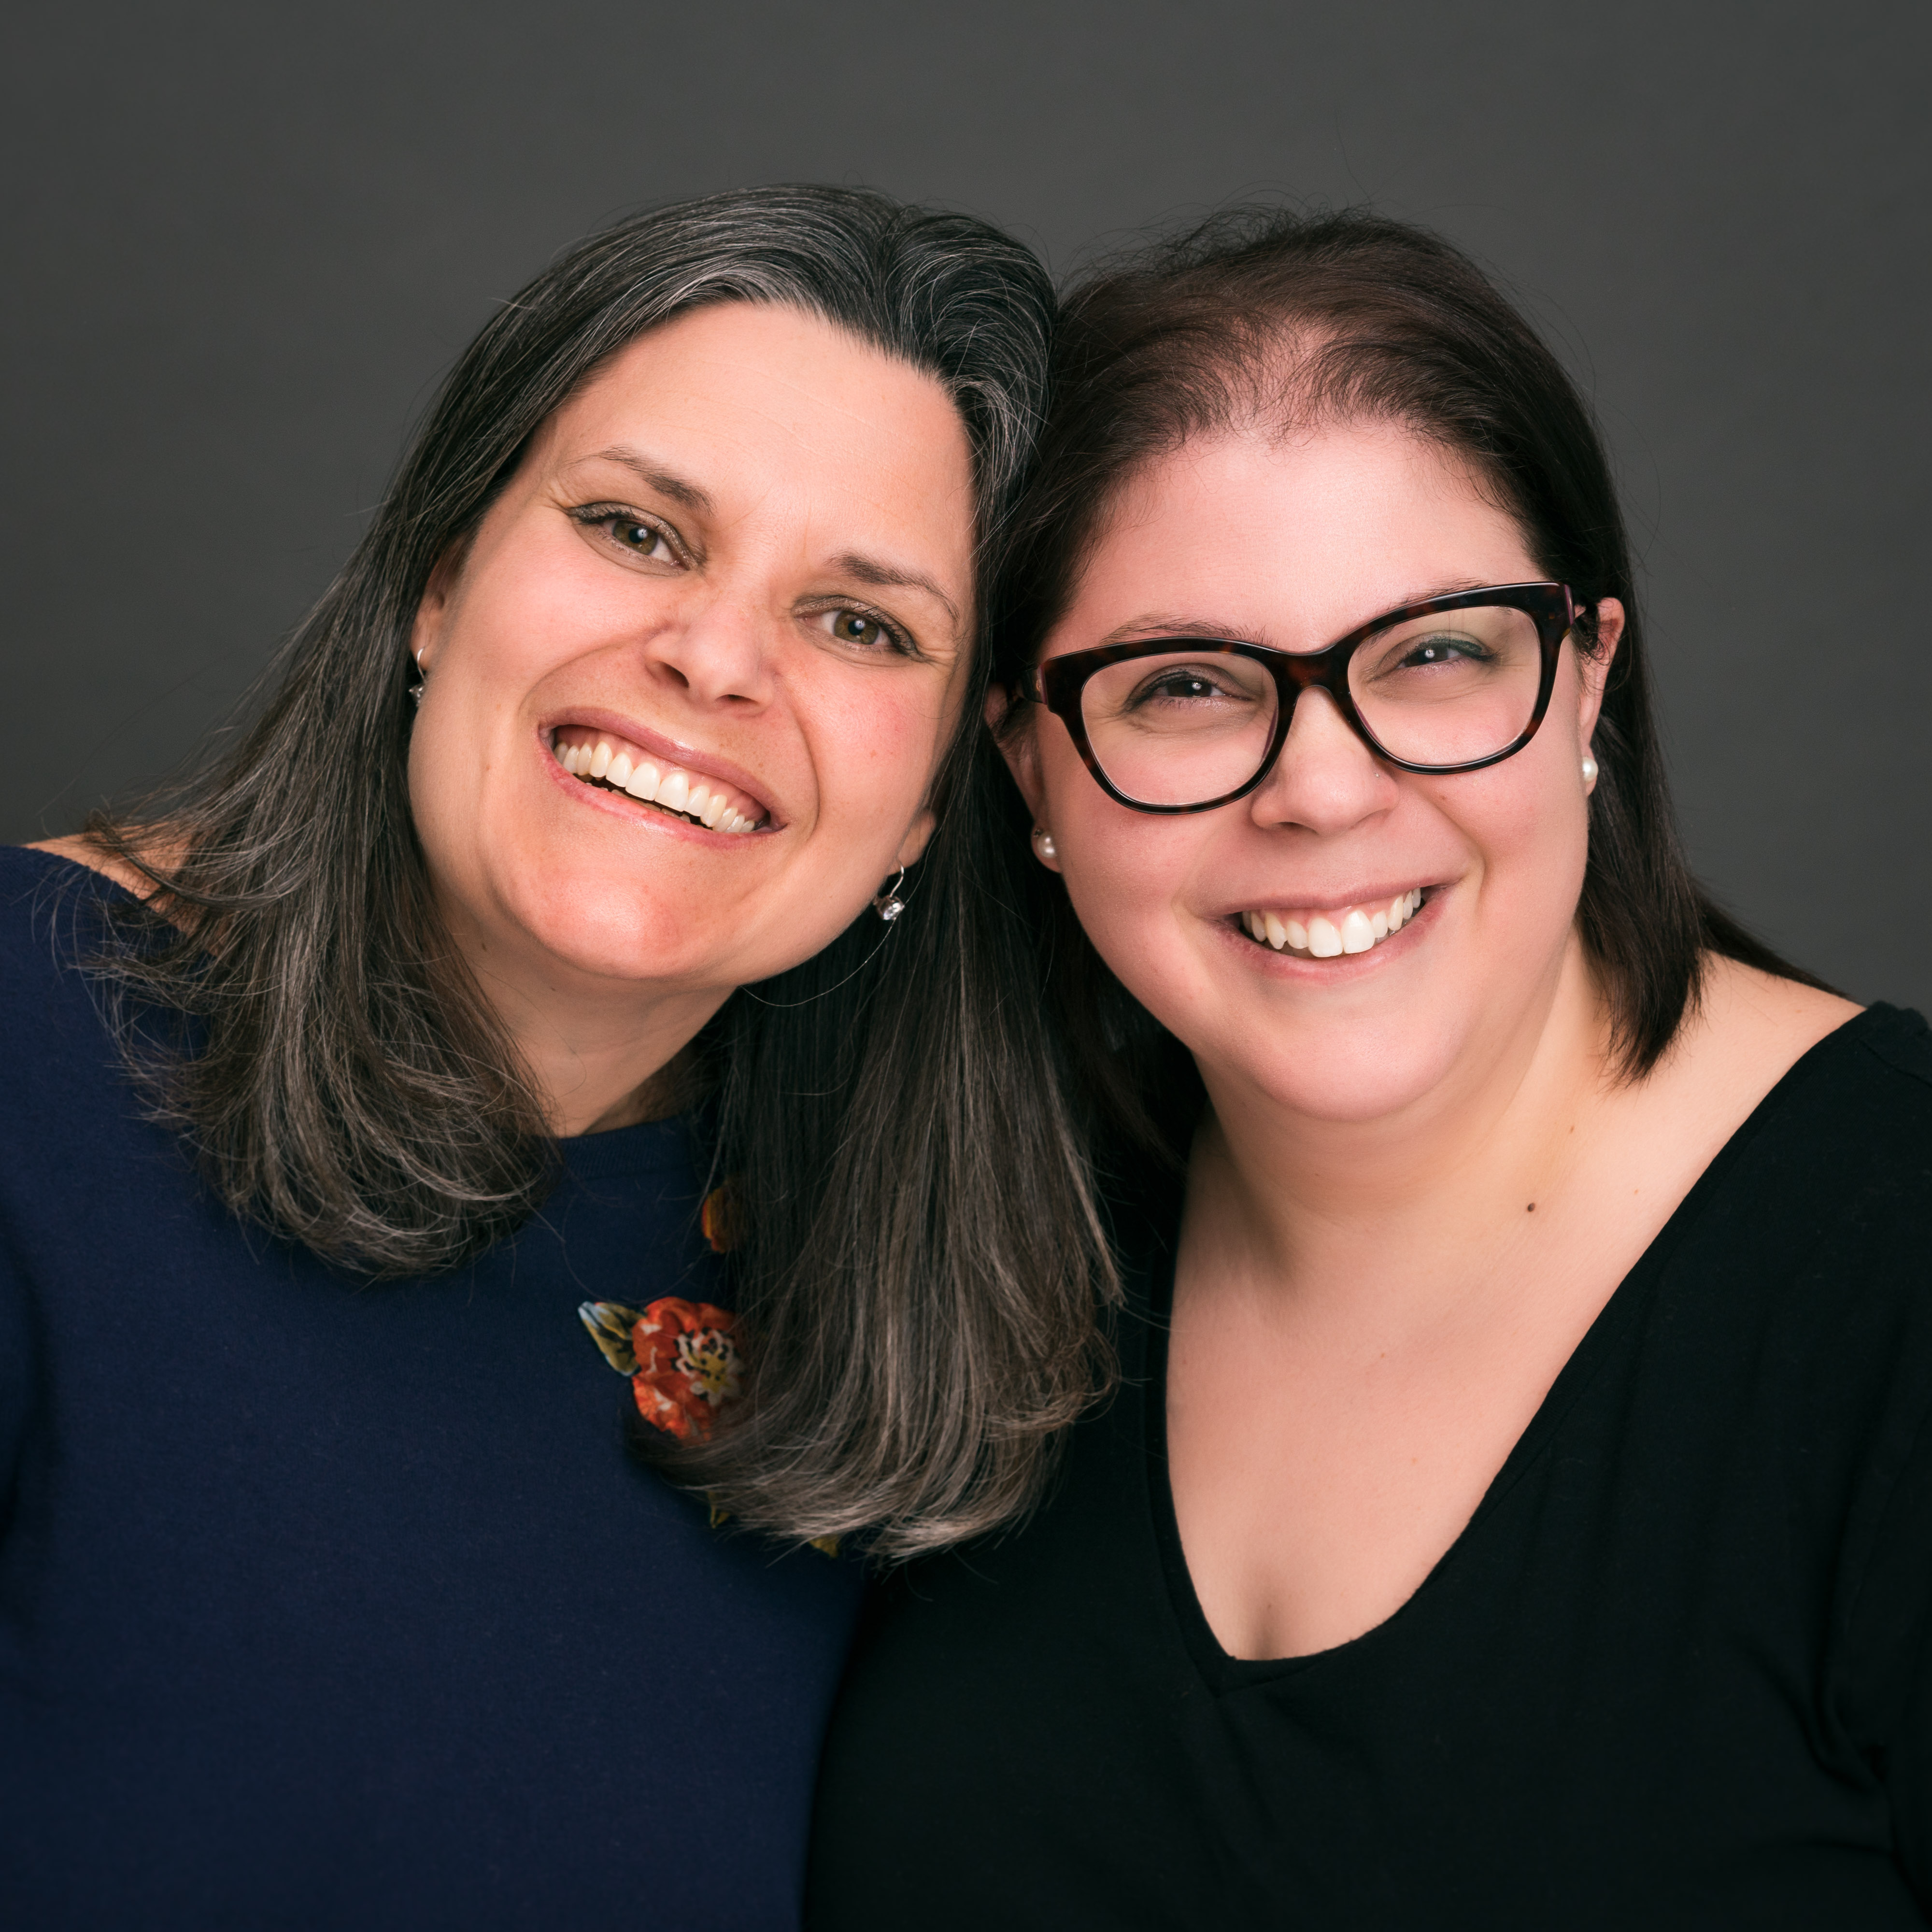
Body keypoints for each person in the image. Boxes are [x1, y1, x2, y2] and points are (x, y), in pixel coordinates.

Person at [0, 185, 1112, 1928]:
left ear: (929, 811)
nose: (713, 657)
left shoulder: (913, 1320)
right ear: (439, 579)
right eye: (641, 532)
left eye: (861, 623)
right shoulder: (20, 1053)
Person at [809, 210, 1932, 1926]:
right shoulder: (967, 1242)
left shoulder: (1898, 1266)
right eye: (1185, 683)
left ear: (1586, 690)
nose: (1321, 792)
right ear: (1029, 765)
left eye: (1432, 655)